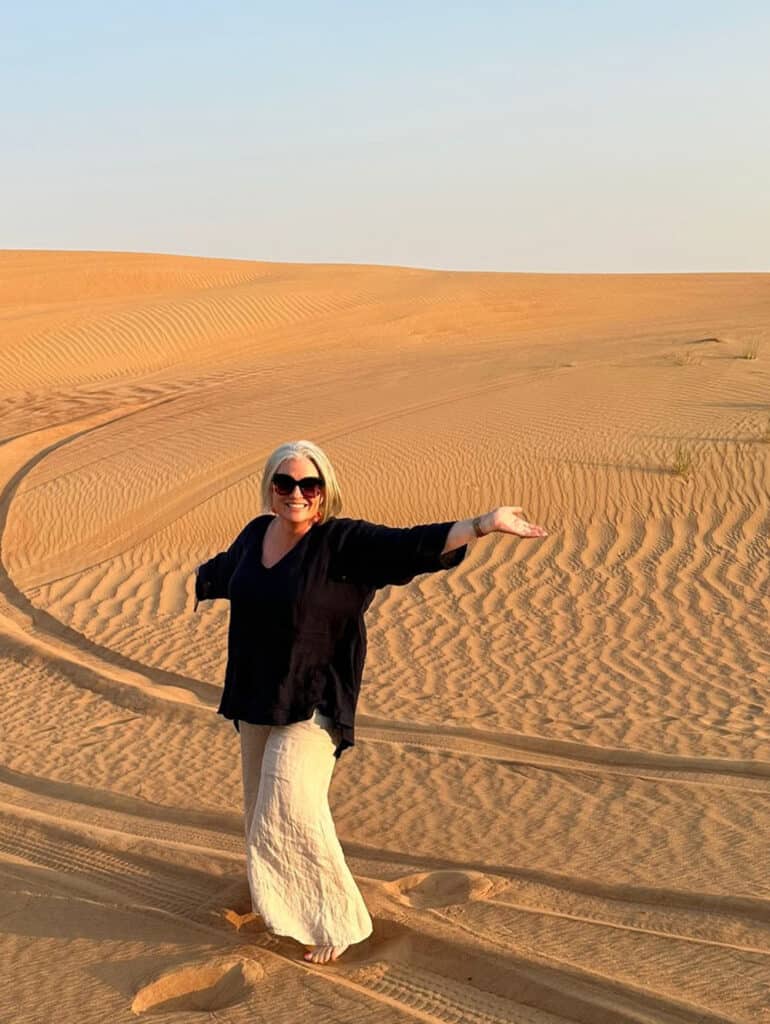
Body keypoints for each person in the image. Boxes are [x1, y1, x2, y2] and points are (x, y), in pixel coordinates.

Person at [194, 439, 548, 965]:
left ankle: (335, 919)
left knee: (288, 801)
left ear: (323, 493)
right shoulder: (254, 536)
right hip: (256, 695)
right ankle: (276, 901)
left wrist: (482, 523)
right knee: (257, 809)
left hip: (315, 698)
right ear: (271, 488)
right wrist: (202, 583)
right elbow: (228, 571)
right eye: (285, 483)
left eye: (308, 485)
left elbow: (408, 545)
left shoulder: (342, 543)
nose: (296, 493)